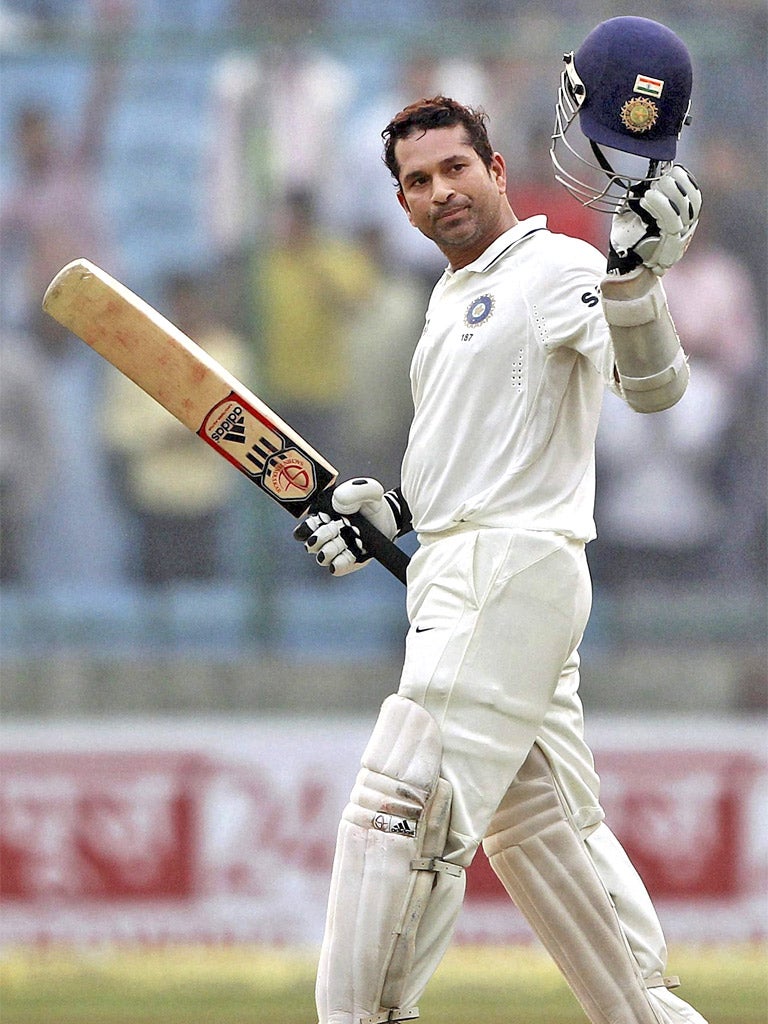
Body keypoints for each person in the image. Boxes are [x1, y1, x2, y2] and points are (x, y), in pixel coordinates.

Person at [295, 18, 708, 1024]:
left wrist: (638, 280)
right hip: (472, 572)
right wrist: (391, 514)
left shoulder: (553, 267)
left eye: (454, 169)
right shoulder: (452, 303)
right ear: (398, 202)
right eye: (417, 182)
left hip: (506, 572)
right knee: (546, 834)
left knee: (403, 801)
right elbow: (479, 457)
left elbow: (653, 388)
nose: (440, 193)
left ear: (496, 166)